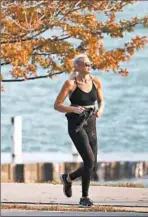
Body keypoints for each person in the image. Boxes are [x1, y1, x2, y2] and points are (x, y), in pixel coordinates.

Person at [54, 54, 104, 207]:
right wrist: (73, 109)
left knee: (92, 163)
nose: (89, 65)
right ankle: (84, 197)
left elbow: (101, 100)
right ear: (77, 66)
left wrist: (100, 110)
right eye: (86, 63)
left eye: (90, 63)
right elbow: (57, 105)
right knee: (89, 160)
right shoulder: (70, 84)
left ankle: (68, 178)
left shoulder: (96, 81)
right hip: (76, 124)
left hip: (91, 122)